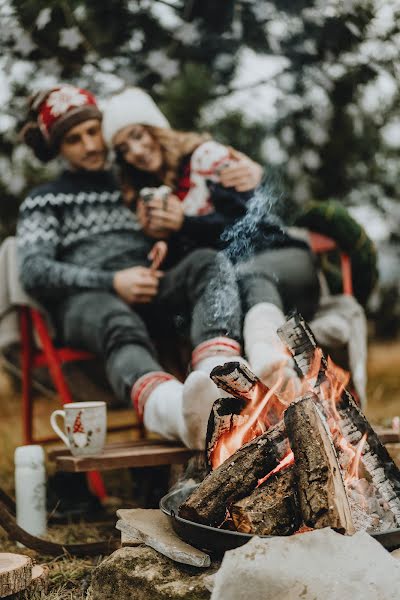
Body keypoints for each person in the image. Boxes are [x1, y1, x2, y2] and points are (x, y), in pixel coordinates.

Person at [16, 84, 247, 449]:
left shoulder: (132, 180)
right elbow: (33, 270)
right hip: (86, 303)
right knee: (116, 320)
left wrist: (161, 247)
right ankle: (174, 411)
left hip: (149, 287)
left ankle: (218, 379)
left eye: (94, 131)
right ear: (58, 148)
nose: (91, 145)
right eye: (75, 139)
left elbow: (185, 172)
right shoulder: (44, 200)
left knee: (207, 263)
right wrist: (112, 282)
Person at [102, 88, 321, 396]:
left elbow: (256, 227)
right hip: (243, 290)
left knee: (246, 274)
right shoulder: (151, 196)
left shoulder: (208, 159)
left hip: (284, 262)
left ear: (156, 129)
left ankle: (266, 359)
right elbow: (203, 266)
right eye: (124, 148)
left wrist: (186, 224)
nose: (135, 151)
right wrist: (162, 240)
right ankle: (258, 386)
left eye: (138, 135)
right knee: (228, 292)